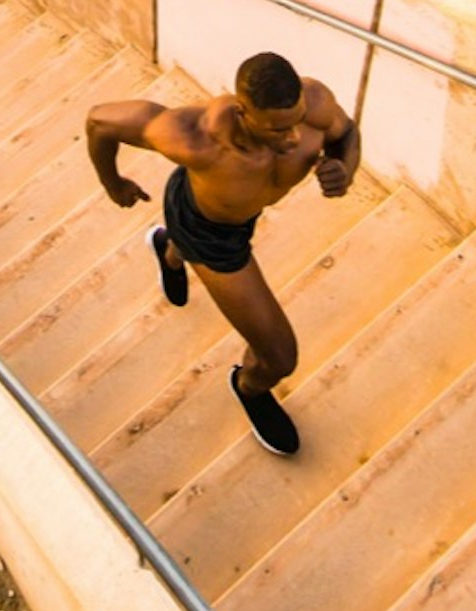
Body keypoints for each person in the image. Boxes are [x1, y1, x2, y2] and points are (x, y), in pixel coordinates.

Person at [84, 52, 360, 459]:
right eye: (278, 130)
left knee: (201, 231)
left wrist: (344, 168)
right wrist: (113, 184)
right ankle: (248, 386)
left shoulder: (315, 104)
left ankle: (168, 249)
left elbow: (346, 132)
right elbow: (98, 120)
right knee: (280, 356)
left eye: (297, 122)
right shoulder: (196, 138)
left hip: (238, 209)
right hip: (210, 233)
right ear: (243, 113)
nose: (295, 139)